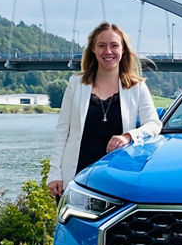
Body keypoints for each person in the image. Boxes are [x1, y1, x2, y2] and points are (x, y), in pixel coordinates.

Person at [47, 22, 161, 198]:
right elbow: (62, 131)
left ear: (123, 50)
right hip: (76, 177)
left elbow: (154, 124)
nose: (108, 51)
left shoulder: (137, 87)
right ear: (93, 49)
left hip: (115, 177)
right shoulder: (75, 84)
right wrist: (54, 174)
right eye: (101, 45)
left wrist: (128, 136)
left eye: (114, 45)